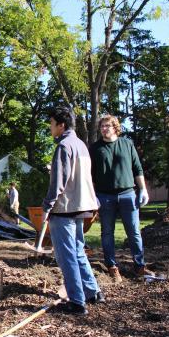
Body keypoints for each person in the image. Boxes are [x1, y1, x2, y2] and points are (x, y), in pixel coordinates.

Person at [42, 106, 104, 315]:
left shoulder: (63, 147)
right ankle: (93, 291)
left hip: (65, 209)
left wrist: (47, 207)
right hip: (82, 206)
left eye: (51, 124)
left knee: (66, 255)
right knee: (78, 251)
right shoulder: (81, 145)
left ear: (61, 125)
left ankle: (77, 302)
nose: (50, 128)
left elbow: (58, 182)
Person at [89, 114, 150, 282]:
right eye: (102, 126)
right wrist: (93, 195)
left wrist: (143, 189)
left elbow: (137, 169)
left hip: (128, 194)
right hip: (104, 196)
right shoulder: (95, 148)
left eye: (107, 126)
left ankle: (139, 266)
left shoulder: (127, 144)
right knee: (107, 232)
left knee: (134, 232)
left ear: (115, 127)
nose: (104, 129)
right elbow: (90, 175)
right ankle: (112, 266)